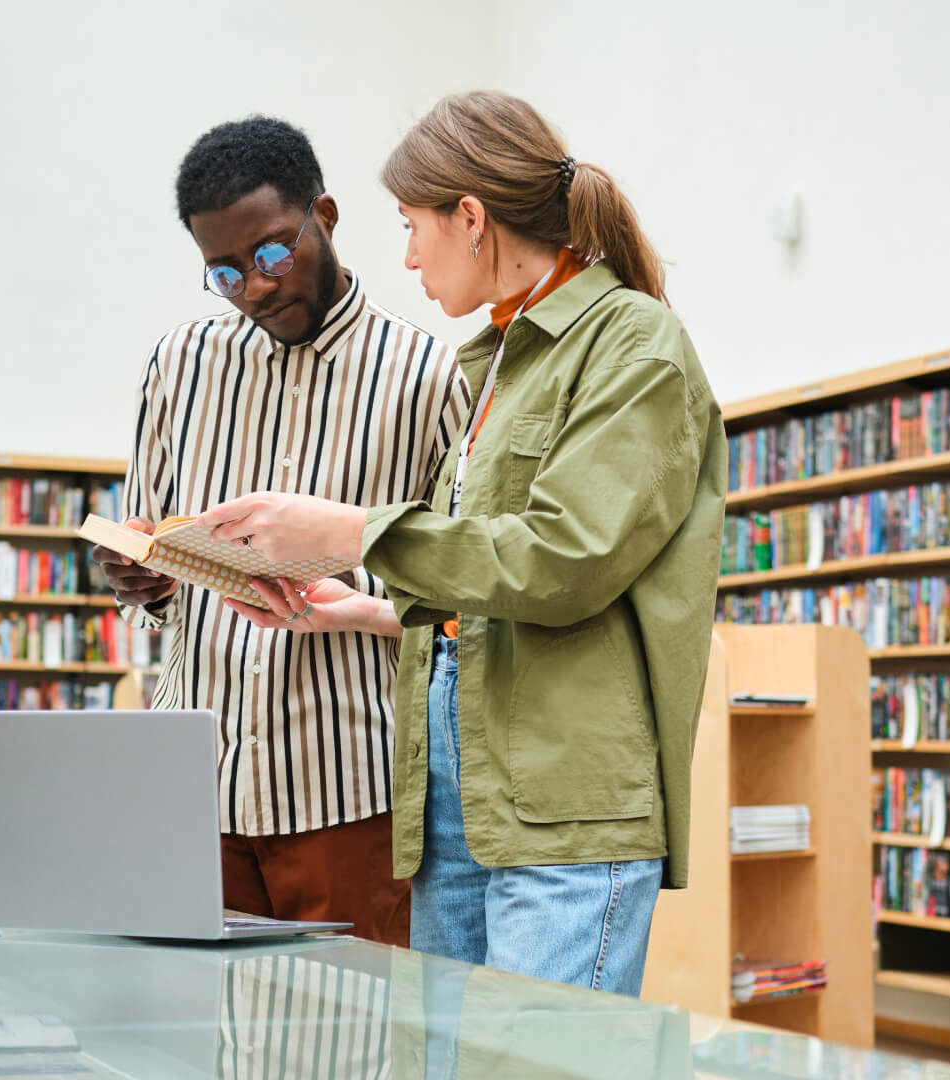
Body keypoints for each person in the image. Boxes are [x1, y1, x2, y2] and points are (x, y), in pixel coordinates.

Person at [200, 90, 726, 996]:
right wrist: (364, 609)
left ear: (471, 218)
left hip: (564, 812)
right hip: (455, 803)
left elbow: (564, 563)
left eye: (413, 227)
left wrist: (349, 530)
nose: (405, 256)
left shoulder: (636, 346)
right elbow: (488, 580)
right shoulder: (492, 365)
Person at [90, 116, 469, 947]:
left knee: (358, 1049)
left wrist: (350, 588)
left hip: (352, 792)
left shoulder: (428, 376)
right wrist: (141, 580)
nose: (255, 287)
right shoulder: (179, 365)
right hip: (195, 791)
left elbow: (462, 587)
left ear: (323, 218)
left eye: (270, 254)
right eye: (223, 272)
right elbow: (149, 542)